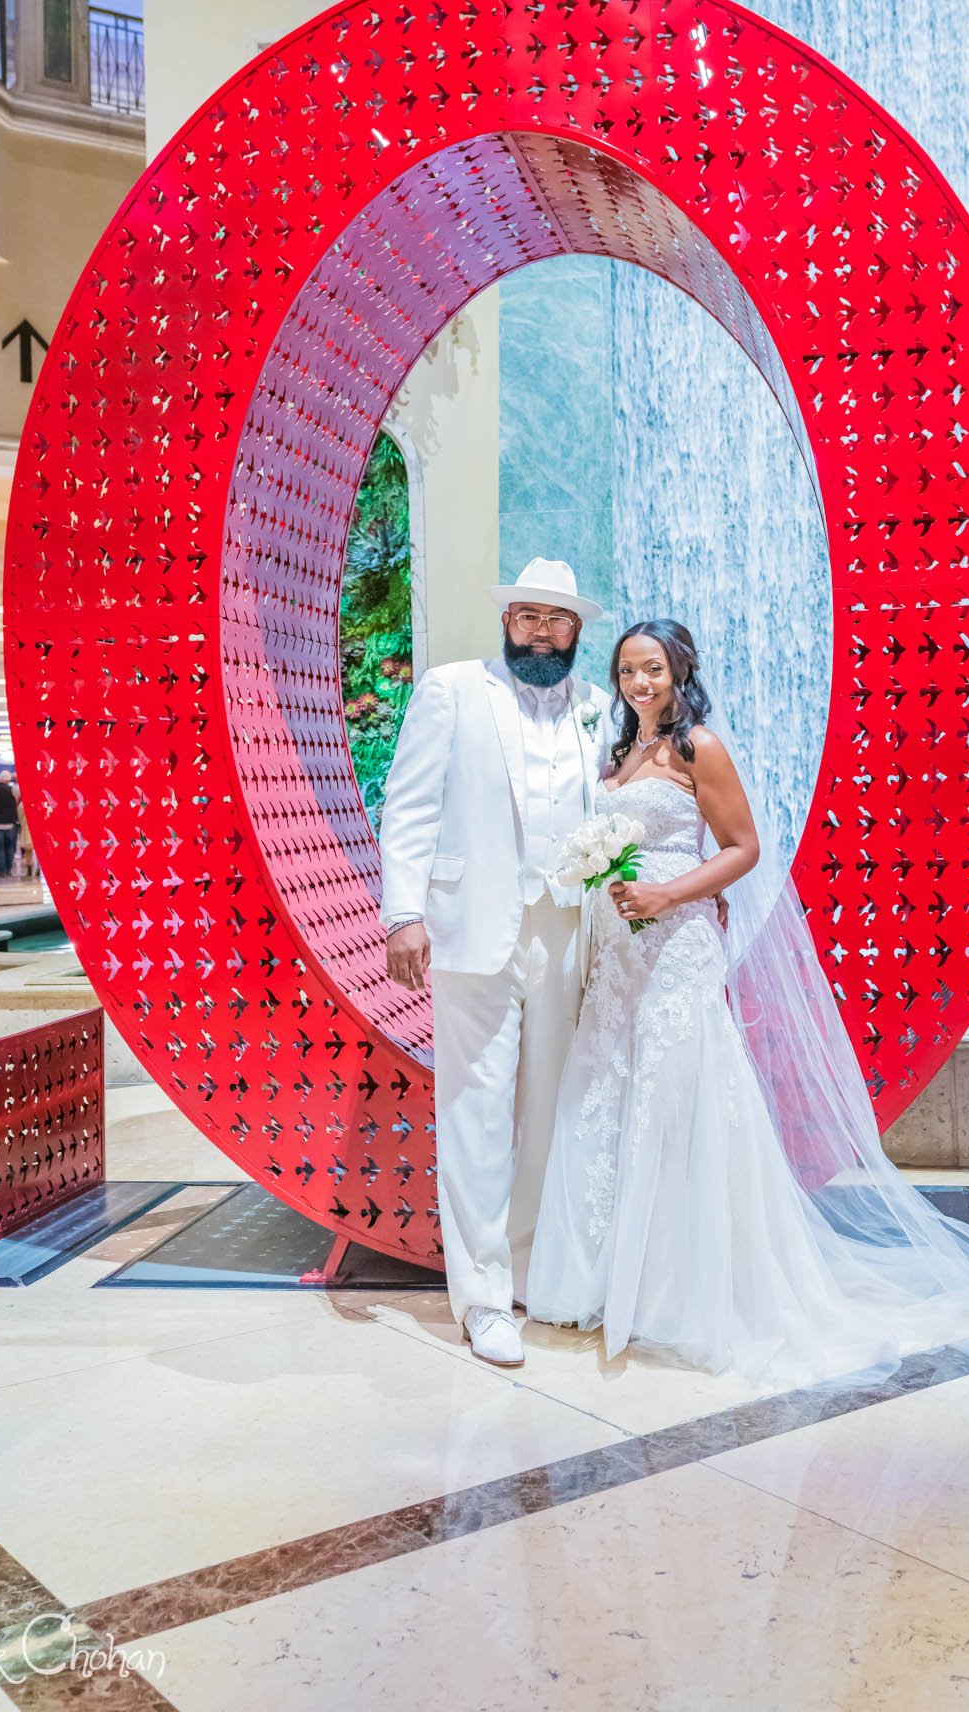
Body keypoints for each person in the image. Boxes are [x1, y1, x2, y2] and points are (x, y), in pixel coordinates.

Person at [525, 622, 969, 1385]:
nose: (641, 684)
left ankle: (681, 1290)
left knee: (677, 1104)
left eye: (654, 670)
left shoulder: (695, 748)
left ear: (681, 673)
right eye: (629, 671)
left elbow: (744, 848)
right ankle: (606, 1280)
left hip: (675, 949)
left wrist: (668, 892)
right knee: (608, 1098)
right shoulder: (617, 754)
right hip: (619, 960)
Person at [379, 559, 613, 1367]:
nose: (540, 629)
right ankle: (481, 1300)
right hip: (471, 927)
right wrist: (403, 913)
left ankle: (529, 1271)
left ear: (577, 631)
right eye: (527, 615)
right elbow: (409, 803)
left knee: (550, 1106)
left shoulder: (598, 707)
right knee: (475, 1109)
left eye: (556, 618)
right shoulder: (451, 690)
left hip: (565, 931)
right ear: (507, 619)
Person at [16, 794, 36, 879]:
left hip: (26, 829)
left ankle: (29, 868)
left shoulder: (21, 805)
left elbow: (19, 817)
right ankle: (38, 868)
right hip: (38, 829)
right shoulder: (37, 803)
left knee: (28, 850)